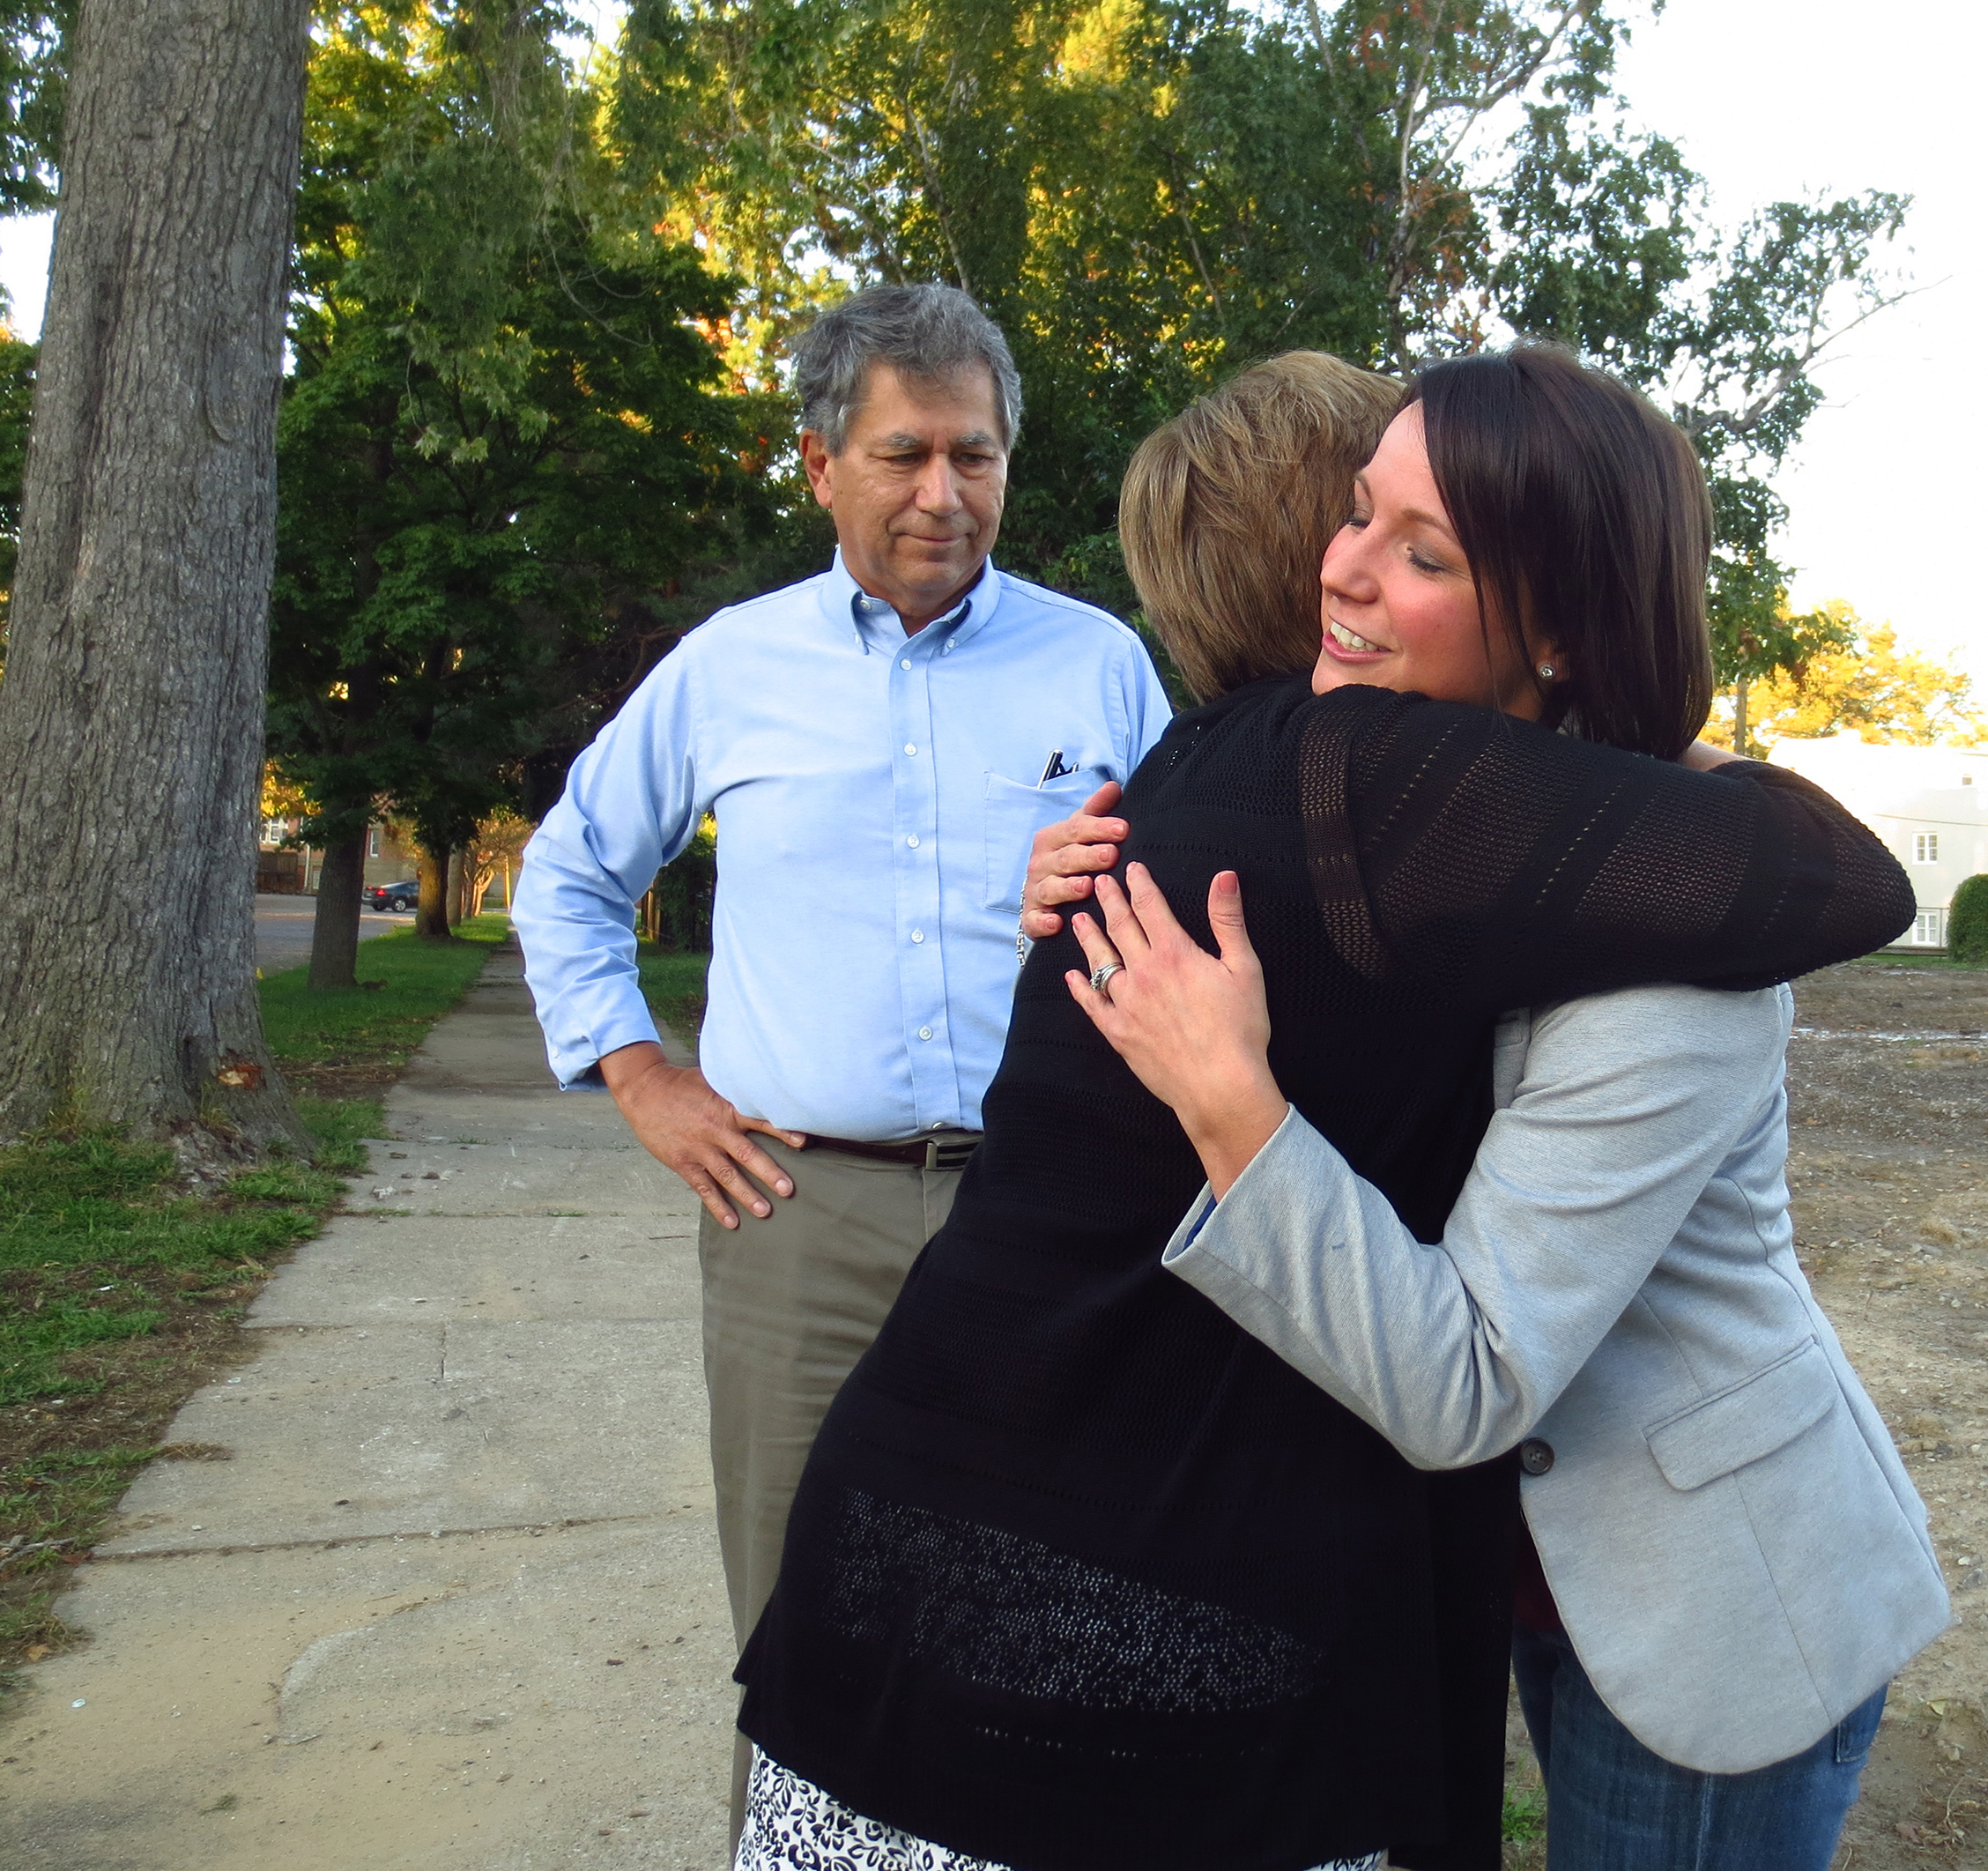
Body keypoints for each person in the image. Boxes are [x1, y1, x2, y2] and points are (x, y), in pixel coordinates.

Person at [728, 345, 1915, 1871]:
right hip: (1517, 1564)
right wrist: (1100, 875)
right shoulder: (1402, 837)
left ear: (1557, 622)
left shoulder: (1678, 952)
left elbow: (1469, 1374)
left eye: (1420, 550)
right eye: (1352, 516)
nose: (1335, 577)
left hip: (1698, 1573)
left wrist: (1232, 1102)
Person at [509, 282, 1172, 1846]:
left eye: (977, 454)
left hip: (1051, 1218)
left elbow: (1199, 890)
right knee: (806, 1619)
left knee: (1050, 1604)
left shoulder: (1101, 666)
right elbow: (571, 873)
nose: (945, 493)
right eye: (903, 455)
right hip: (800, 1221)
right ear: (820, 464)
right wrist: (641, 1076)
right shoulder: (732, 668)